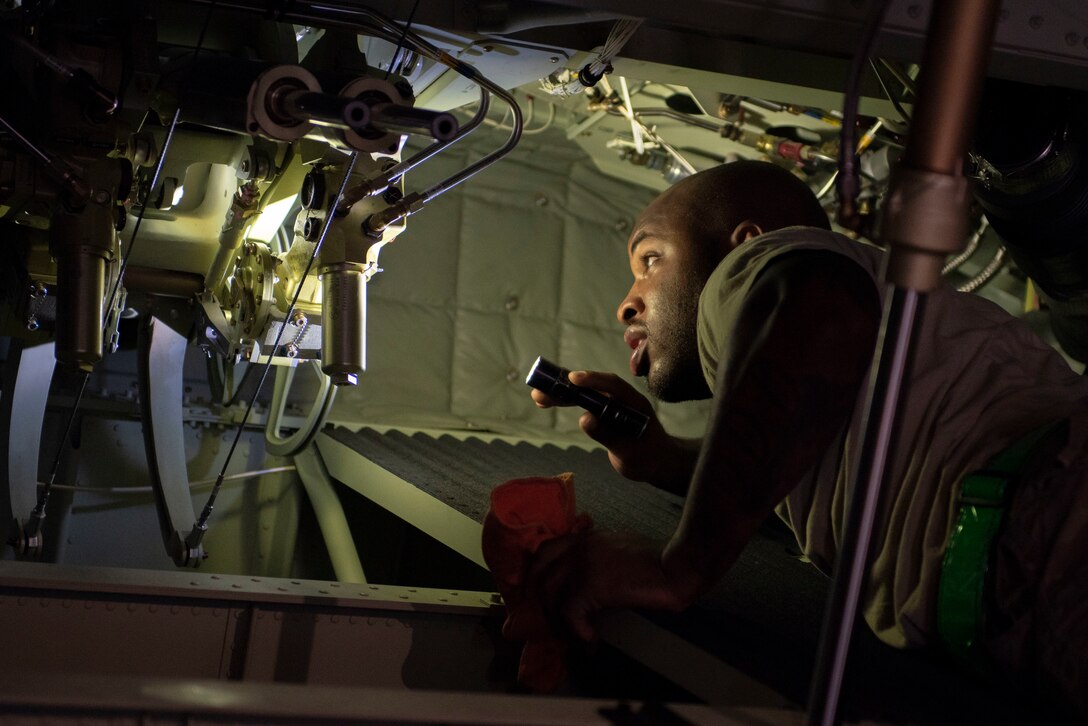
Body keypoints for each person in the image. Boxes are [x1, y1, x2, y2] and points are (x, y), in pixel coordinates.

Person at [525, 159, 1088, 718]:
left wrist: (676, 568)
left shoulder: (762, 267)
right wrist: (665, 456)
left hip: (1047, 529)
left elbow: (819, 308)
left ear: (747, 239)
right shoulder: (835, 365)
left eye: (651, 259)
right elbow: (794, 453)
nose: (627, 301)